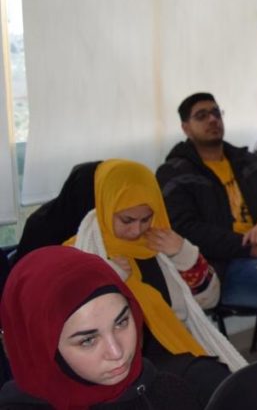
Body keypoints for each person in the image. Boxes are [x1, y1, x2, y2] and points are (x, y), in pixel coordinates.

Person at [67, 160, 244, 403]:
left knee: (221, 382)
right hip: (121, 359)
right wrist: (108, 281)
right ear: (106, 206)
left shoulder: (160, 241)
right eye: (127, 220)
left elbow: (209, 300)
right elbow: (69, 323)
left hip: (174, 346)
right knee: (210, 383)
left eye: (146, 218)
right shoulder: (80, 252)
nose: (137, 230)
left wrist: (184, 254)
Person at [157, 92, 257, 336]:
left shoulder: (245, 160)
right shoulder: (174, 172)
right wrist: (248, 247)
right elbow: (186, 230)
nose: (212, 119)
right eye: (202, 116)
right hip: (223, 267)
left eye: (216, 113)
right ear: (186, 128)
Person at [0, 246, 201, 410]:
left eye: (121, 323)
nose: (117, 352)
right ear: (40, 349)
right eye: (88, 340)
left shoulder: (168, 394)